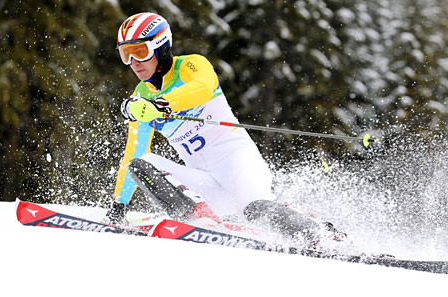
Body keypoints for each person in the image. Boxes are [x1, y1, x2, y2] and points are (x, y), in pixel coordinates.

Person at [106, 12, 345, 247]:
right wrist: (119, 206)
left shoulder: (190, 65)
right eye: (126, 54)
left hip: (237, 163)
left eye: (140, 51)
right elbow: (134, 151)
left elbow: (203, 87)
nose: (133, 62)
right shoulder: (141, 97)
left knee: (255, 209)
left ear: (160, 46)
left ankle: (321, 233)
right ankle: (198, 219)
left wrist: (164, 103)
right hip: (204, 185)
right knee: (141, 163)